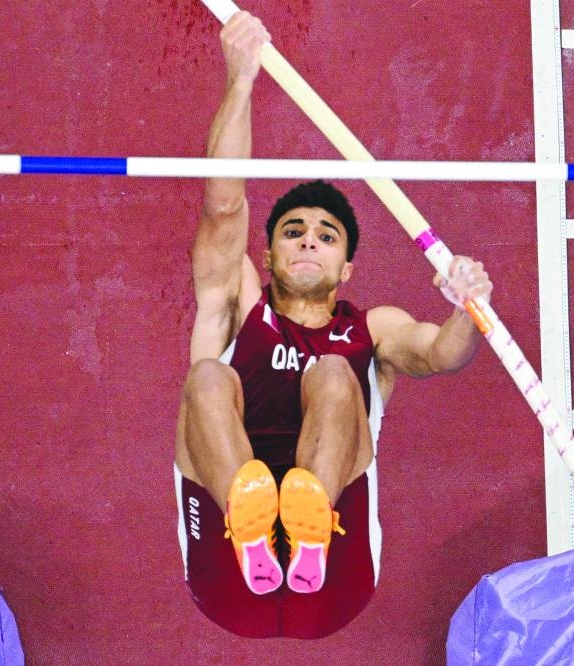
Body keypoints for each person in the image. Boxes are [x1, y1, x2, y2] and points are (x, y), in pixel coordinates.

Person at [174, 11, 493, 639]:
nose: (308, 243)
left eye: (326, 237)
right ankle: (250, 515)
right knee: (207, 376)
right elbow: (223, 204)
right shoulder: (235, 305)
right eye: (292, 233)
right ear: (266, 257)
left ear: (346, 266)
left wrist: (469, 307)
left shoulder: (372, 330)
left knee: (333, 375)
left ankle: (309, 521)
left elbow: (443, 355)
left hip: (337, 578)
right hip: (227, 575)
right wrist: (240, 81)